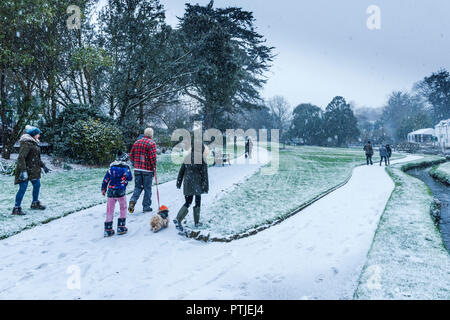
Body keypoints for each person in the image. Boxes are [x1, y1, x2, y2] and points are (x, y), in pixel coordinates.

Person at [173, 136, 209, 231]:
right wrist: (205, 187)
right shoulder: (202, 158)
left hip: (188, 183)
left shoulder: (187, 157)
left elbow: (181, 171)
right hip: (197, 184)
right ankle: (196, 222)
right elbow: (205, 174)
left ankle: (178, 218)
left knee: (188, 202)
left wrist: (179, 182)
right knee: (197, 202)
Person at [12, 126, 50, 215]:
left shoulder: (34, 143)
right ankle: (16, 208)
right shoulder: (26, 143)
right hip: (24, 170)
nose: (39, 135)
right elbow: (21, 158)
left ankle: (35, 203)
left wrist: (43, 166)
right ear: (33, 135)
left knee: (37, 185)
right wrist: (23, 171)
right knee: (23, 188)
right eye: (38, 134)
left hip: (33, 170)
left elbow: (35, 158)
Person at [101, 151, 133, 237]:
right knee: (123, 208)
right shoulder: (126, 168)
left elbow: (106, 179)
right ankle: (121, 227)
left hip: (111, 191)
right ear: (125, 159)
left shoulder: (111, 168)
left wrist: (103, 189)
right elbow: (130, 178)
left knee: (110, 209)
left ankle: (108, 229)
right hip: (120, 191)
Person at [128, 128, 157, 213]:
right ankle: (146, 206)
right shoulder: (151, 143)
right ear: (151, 135)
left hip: (137, 169)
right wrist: (154, 167)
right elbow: (153, 158)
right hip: (147, 170)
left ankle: (133, 201)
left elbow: (131, 155)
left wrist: (135, 163)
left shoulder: (137, 142)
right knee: (147, 189)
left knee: (137, 187)